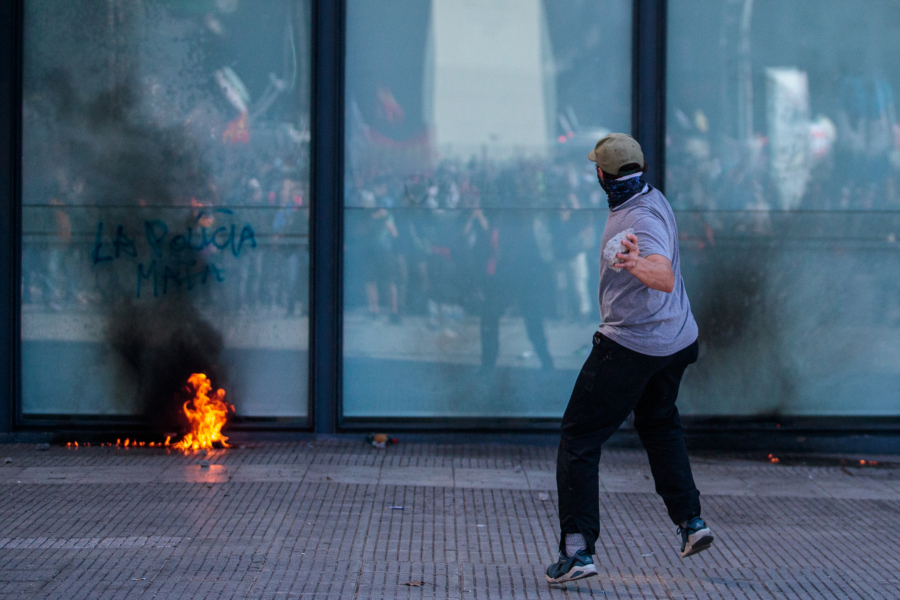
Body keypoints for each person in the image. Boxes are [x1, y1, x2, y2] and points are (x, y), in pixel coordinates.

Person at [546, 134, 713, 584]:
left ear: (600, 174)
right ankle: (691, 522)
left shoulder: (638, 217)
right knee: (658, 422)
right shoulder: (651, 197)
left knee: (579, 437)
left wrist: (636, 263)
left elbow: (662, 274)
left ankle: (577, 551)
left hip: (634, 345)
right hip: (676, 340)